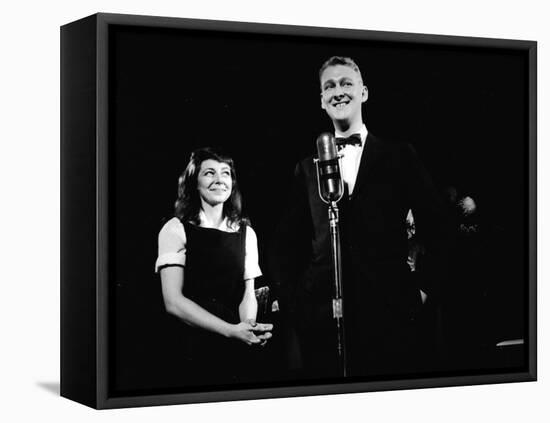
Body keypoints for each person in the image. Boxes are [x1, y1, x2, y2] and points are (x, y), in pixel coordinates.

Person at [268, 56, 450, 379]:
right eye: (330, 86)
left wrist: (422, 291)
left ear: (364, 93)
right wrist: (297, 305)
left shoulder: (398, 155)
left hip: (390, 316)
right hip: (324, 321)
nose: (338, 91)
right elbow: (284, 245)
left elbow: (440, 228)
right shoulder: (306, 168)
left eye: (346, 83)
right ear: (322, 101)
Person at [155, 147, 273, 386]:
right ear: (193, 183)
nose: (219, 180)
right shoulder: (175, 229)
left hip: (233, 344)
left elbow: (247, 294)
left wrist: (248, 328)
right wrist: (230, 330)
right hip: (190, 346)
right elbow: (173, 302)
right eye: (209, 173)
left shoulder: (246, 232)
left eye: (226, 173)